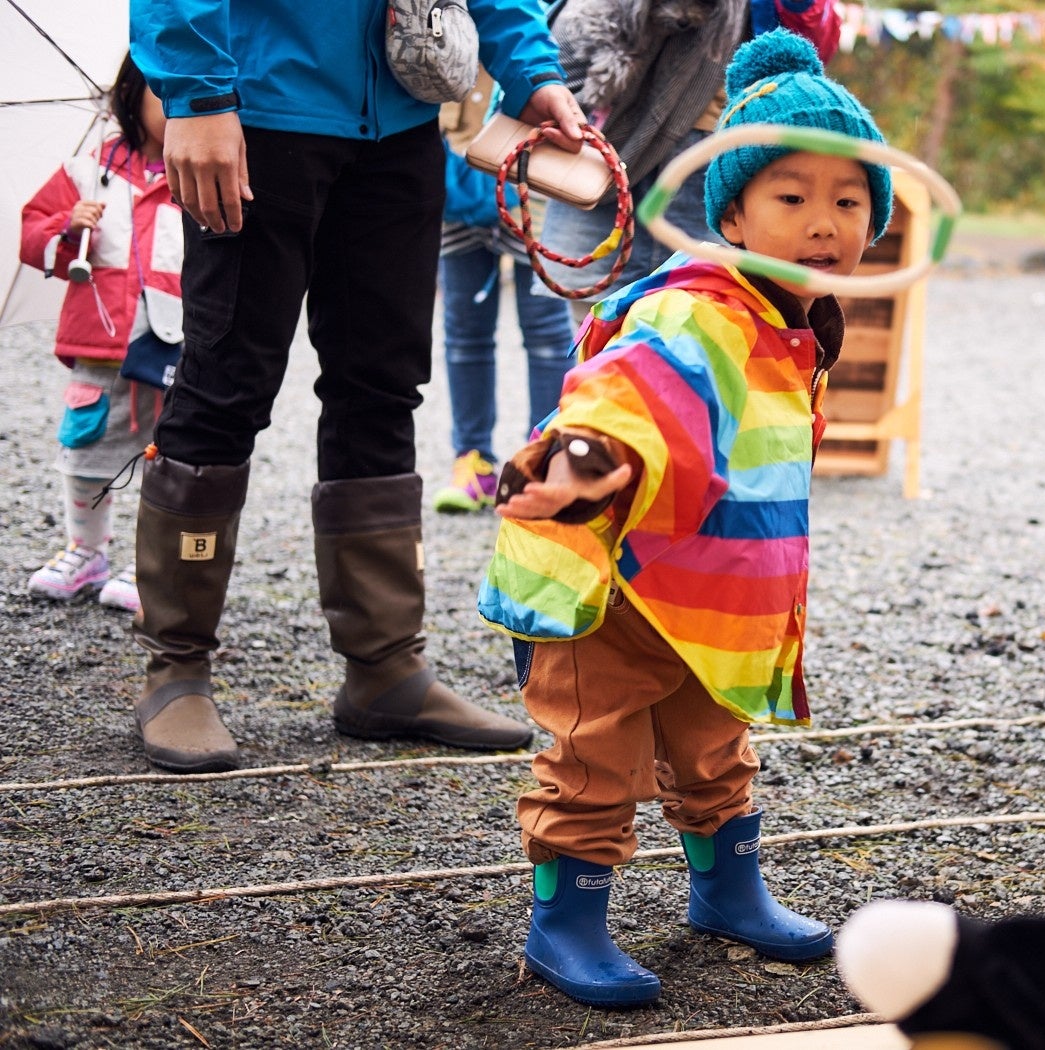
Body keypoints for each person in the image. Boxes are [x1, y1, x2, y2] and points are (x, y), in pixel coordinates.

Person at [475, 29, 893, 1005]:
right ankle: (564, 926)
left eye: (847, 200)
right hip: (618, 585)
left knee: (713, 745)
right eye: (792, 198)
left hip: (706, 593)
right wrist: (587, 462)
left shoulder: (792, 318)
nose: (824, 221)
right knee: (593, 755)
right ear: (734, 217)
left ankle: (727, 890)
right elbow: (628, 391)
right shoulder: (697, 306)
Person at [126, 0, 588, 774]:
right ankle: (175, 669)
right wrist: (198, 96)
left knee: (383, 384)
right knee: (223, 384)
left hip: (400, 122)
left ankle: (384, 667)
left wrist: (531, 70)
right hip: (255, 111)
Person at [536, 0, 841, 321]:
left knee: (708, 316)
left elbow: (813, 42)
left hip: (716, 149)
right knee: (596, 317)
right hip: (616, 129)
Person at [20, 55, 177, 617]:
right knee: (85, 453)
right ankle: (87, 551)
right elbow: (32, 233)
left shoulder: (197, 172)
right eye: (165, 91)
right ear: (131, 95)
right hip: (101, 343)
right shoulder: (87, 173)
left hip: (170, 348)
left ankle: (150, 562)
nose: (177, 104)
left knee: (170, 458)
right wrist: (66, 229)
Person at [432, 79, 578, 514]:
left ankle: (544, 462)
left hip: (536, 177)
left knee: (549, 333)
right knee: (463, 332)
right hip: (456, 168)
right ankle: (472, 461)